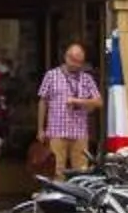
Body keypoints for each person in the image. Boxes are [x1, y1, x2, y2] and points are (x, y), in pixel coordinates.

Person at [37, 44, 103, 175]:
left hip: (79, 132)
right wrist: (40, 129)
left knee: (81, 171)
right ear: (66, 57)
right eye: (74, 61)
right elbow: (43, 101)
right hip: (56, 131)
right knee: (56, 171)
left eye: (80, 62)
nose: (77, 65)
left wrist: (79, 101)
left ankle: (78, 195)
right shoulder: (51, 76)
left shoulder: (86, 79)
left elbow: (99, 102)